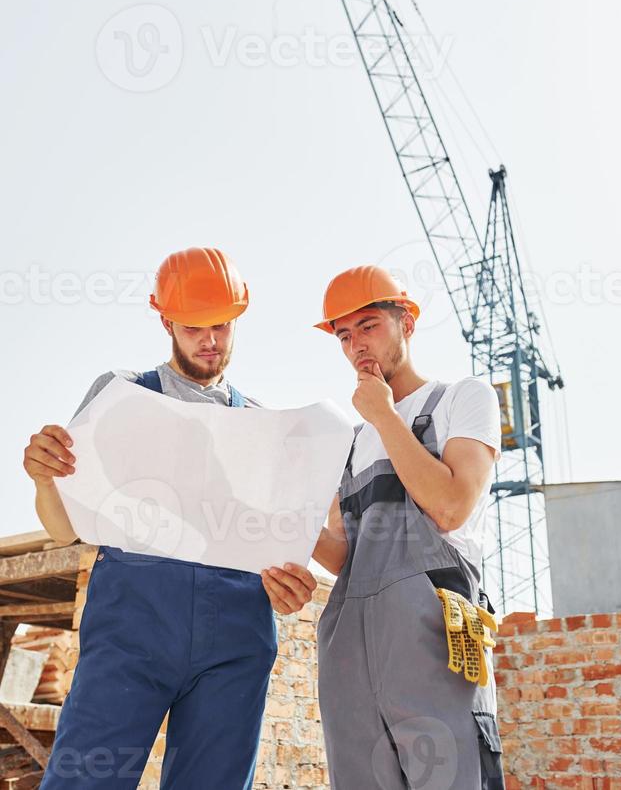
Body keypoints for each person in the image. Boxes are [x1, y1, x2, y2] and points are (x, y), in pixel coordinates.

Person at [23, 247, 315, 790]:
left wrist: (290, 587)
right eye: (194, 327)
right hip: (133, 627)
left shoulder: (263, 428)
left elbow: (284, 551)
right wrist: (43, 477)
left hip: (236, 636)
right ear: (165, 321)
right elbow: (65, 529)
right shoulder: (121, 396)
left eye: (222, 326)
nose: (210, 341)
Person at [263, 264, 506, 790]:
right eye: (344, 336)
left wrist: (385, 417)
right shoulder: (344, 442)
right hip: (350, 648)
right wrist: (283, 518)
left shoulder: (462, 399)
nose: (356, 347)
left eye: (369, 326)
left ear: (407, 324)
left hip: (433, 639)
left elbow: (450, 506)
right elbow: (345, 558)